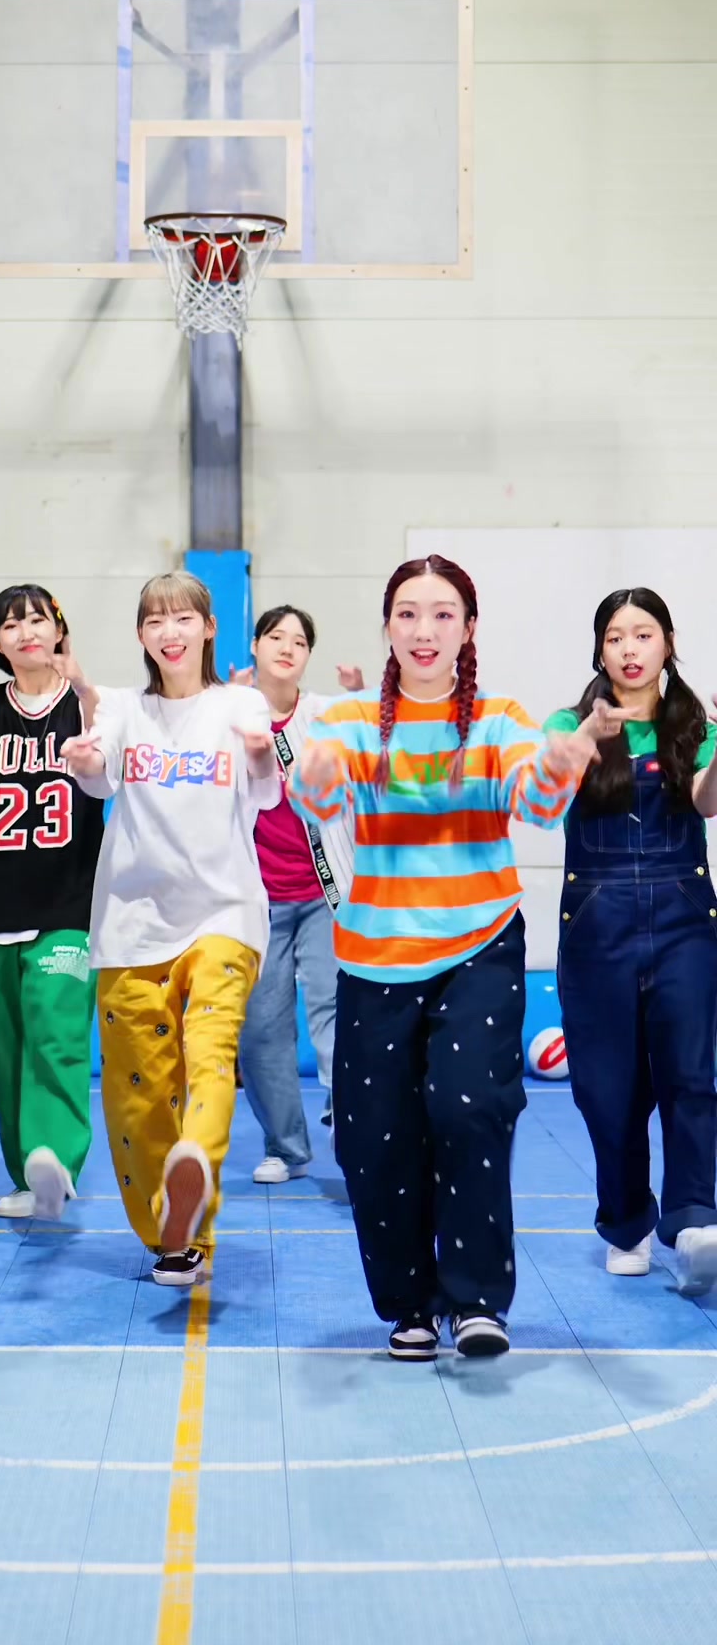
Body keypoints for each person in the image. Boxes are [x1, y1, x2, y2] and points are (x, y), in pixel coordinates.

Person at [291, 555, 611, 1360]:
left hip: (478, 944)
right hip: (374, 954)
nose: (424, 630)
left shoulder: (500, 719)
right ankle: (409, 1304)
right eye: (408, 613)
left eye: (442, 614)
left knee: (470, 1109)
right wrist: (313, 774)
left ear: (469, 628)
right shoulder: (350, 721)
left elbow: (536, 803)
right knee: (372, 1136)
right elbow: (321, 798)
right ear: (388, 627)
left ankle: (475, 1301)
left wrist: (566, 759)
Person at [61, 572, 279, 1286]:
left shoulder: (240, 704)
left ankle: (197, 1158)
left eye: (184, 618)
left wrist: (257, 750)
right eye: (156, 621)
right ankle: (175, 1234)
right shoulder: (123, 708)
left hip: (224, 914)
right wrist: (86, 760)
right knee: (139, 1094)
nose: (170, 632)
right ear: (141, 635)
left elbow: (266, 785)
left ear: (208, 628)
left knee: (211, 1054)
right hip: (131, 923)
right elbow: (97, 773)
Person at [547, 588, 717, 1295]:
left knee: (691, 1071)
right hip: (597, 920)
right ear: (600, 650)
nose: (629, 649)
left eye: (643, 634)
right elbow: (549, 796)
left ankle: (695, 1218)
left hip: (684, 918)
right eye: (615, 636)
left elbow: (706, 800)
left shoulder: (696, 726)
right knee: (605, 1087)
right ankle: (626, 1220)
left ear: (668, 643)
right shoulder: (568, 722)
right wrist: (583, 741)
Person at [0, 585, 104, 1222]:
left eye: (38, 619)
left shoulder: (88, 702)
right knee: (3, 1052)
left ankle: (55, 1157)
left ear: (59, 630)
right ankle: (29, 1172)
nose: (27, 631)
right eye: (12, 624)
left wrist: (85, 687)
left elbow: (114, 755)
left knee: (57, 1037)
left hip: (67, 902)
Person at [233, 605, 360, 1183]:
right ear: (255, 645)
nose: (287, 648)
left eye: (300, 641)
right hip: (256, 901)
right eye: (276, 637)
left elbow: (372, 758)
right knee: (262, 1029)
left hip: (324, 895)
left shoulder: (329, 715)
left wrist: (358, 701)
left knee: (338, 1013)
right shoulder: (226, 714)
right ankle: (285, 1148)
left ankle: (351, 1126)